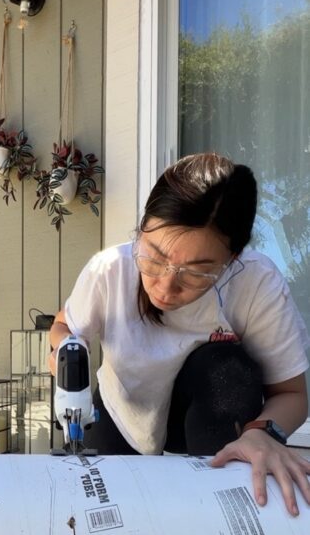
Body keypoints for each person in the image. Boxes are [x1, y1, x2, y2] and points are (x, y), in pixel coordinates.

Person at [50, 152, 310, 516]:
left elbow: (292, 394)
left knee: (227, 367)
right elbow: (63, 325)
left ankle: (217, 517)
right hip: (124, 406)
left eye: (196, 273)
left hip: (209, 416)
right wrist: (68, 355)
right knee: (106, 513)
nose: (166, 287)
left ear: (232, 260)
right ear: (142, 229)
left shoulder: (256, 283)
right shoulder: (109, 270)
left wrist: (263, 433)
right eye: (153, 258)